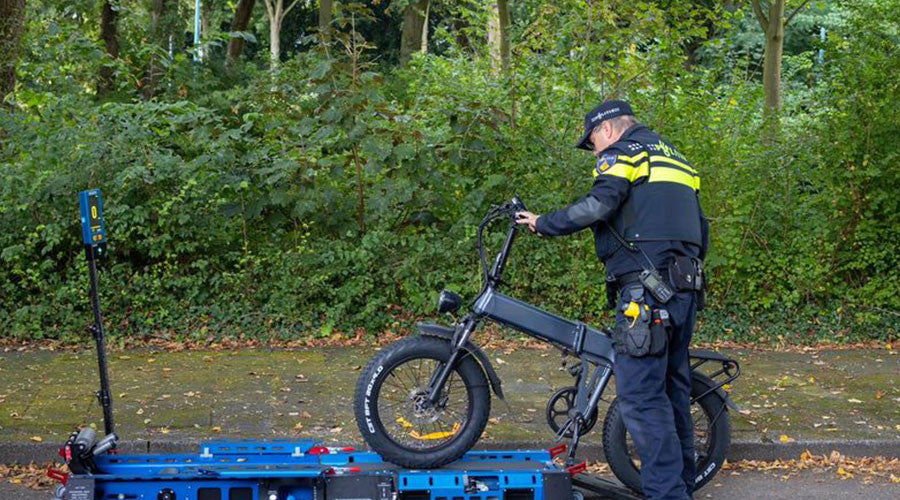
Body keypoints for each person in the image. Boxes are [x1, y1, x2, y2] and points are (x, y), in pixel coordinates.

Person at [515, 100, 708, 500]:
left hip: (646, 295)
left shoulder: (625, 153)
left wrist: (542, 223)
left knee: (641, 399)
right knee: (673, 393)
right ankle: (681, 488)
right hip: (684, 290)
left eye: (593, 143)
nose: (596, 152)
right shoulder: (677, 159)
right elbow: (701, 230)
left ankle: (668, 496)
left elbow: (599, 204)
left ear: (607, 130)